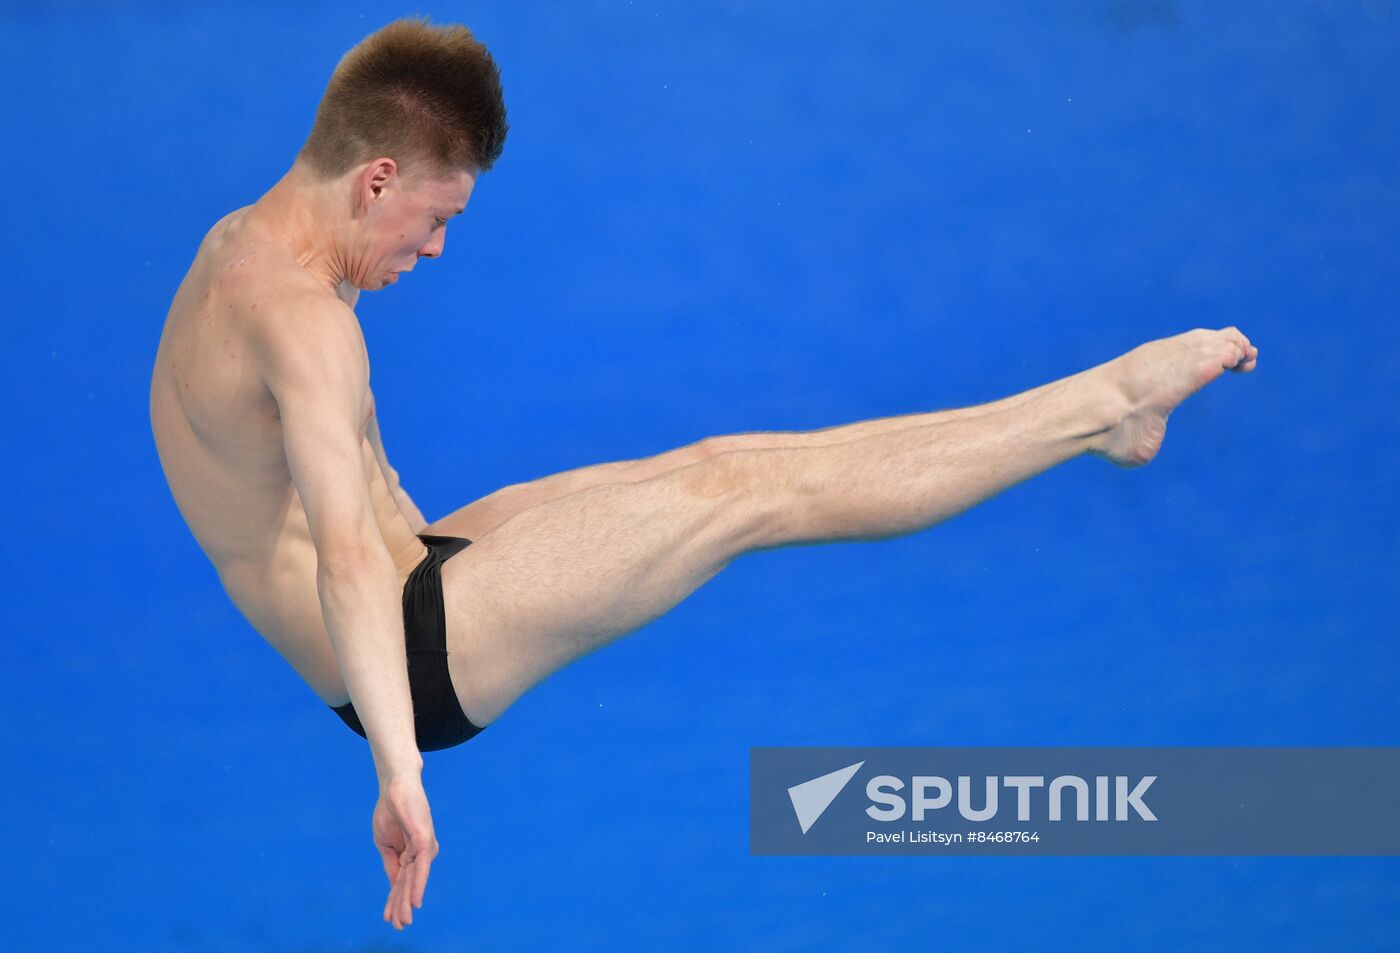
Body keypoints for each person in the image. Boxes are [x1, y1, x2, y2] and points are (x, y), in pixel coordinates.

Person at [148, 15, 1258, 932]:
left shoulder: (244, 247)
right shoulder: (304, 320)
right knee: (749, 496)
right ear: (377, 177)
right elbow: (342, 556)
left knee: (715, 465)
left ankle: (1097, 412)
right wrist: (402, 770)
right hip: (416, 650)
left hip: (420, 573)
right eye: (436, 217)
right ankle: (1104, 410)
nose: (433, 249)